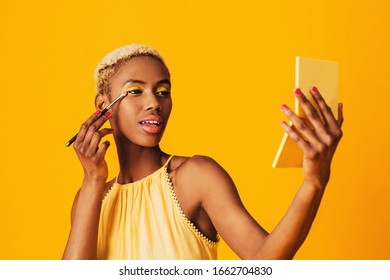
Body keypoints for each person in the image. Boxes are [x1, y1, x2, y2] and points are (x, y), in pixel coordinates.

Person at [62, 44, 343, 260]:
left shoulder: (195, 177)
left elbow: (264, 258)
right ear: (104, 105)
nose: (154, 103)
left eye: (162, 91)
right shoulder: (90, 198)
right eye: (135, 91)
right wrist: (92, 180)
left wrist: (314, 182)